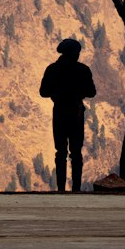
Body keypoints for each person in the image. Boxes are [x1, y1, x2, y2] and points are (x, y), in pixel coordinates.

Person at [39, 37, 96, 192]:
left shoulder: (52, 69)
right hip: (76, 112)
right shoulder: (83, 70)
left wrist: (57, 92)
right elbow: (91, 92)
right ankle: (76, 188)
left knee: (61, 152)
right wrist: (78, 91)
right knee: (76, 152)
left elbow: (43, 92)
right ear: (74, 53)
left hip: (59, 112)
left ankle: (61, 189)